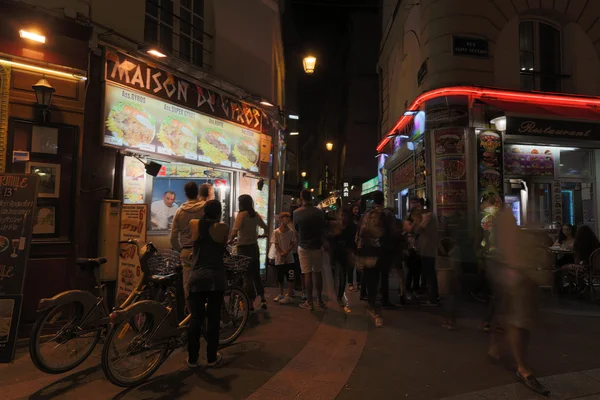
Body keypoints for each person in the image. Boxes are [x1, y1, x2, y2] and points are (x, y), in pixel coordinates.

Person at [488, 207, 551, 396]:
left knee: (511, 319)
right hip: (516, 282)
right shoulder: (506, 236)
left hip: (519, 282)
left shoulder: (508, 235)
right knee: (518, 323)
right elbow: (513, 258)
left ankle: (496, 349)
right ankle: (522, 368)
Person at [186, 200, 229, 368]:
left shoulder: (194, 224)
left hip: (196, 277)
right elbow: (222, 245)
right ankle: (211, 357)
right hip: (215, 278)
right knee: (213, 319)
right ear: (219, 212)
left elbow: (198, 245)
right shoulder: (222, 227)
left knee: (196, 319)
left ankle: (192, 358)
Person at [356, 190, 395, 327]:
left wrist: (360, 249)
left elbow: (360, 233)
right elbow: (393, 233)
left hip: (369, 251)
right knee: (383, 277)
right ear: (383, 200)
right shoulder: (388, 214)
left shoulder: (367, 215)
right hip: (383, 251)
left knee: (372, 279)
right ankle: (383, 301)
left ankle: (372, 305)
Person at [171, 183, 210, 301]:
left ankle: (192, 314)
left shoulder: (179, 211)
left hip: (186, 253)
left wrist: (181, 249)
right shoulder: (205, 208)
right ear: (197, 193)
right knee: (205, 285)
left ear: (185, 194)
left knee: (188, 286)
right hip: (203, 251)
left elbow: (173, 237)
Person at [231, 194, 268, 311]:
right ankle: (262, 298)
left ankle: (250, 303)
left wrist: (229, 240)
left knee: (246, 276)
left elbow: (234, 232)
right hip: (254, 247)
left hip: (243, 249)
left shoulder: (241, 215)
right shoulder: (255, 215)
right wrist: (262, 235)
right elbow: (266, 227)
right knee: (256, 274)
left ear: (241, 203)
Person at [294, 189, 326, 311]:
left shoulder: (297, 213)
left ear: (301, 198)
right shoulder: (319, 212)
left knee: (307, 273)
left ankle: (310, 302)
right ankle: (320, 300)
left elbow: (296, 229)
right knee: (317, 272)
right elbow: (323, 227)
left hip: (304, 246)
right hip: (317, 245)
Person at [407, 198, 439, 306]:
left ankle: (433, 298)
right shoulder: (429, 216)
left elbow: (418, 229)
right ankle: (432, 295)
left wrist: (416, 222)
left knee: (430, 273)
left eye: (418, 207)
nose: (417, 210)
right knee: (428, 272)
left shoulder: (428, 216)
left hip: (428, 248)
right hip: (426, 248)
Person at [332, 209, 357, 309]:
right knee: (335, 274)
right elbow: (330, 239)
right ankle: (336, 294)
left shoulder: (352, 227)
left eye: (344, 215)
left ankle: (339, 296)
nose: (342, 218)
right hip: (336, 253)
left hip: (346, 253)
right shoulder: (335, 226)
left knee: (342, 275)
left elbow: (353, 241)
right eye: (341, 215)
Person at [272, 212, 297, 305]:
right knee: (280, 277)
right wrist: (281, 253)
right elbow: (276, 243)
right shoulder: (276, 232)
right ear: (280, 219)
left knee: (290, 276)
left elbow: (293, 243)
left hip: (289, 258)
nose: (286, 219)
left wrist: (286, 252)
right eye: (284, 217)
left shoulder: (291, 232)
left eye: (288, 217)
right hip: (279, 258)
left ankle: (289, 295)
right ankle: (281, 293)